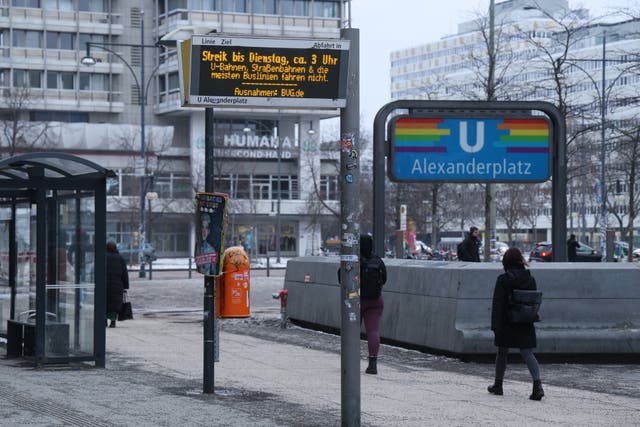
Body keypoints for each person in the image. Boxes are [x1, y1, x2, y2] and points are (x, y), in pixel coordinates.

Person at [488, 247, 544, 401]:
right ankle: (537, 385)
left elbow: (498, 305)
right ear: (520, 261)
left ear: (506, 262)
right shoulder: (529, 279)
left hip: (507, 322)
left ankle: (498, 385)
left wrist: (495, 327)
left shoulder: (503, 279)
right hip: (525, 321)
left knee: (502, 352)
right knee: (527, 352)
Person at [359, 234, 387, 375]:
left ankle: (350, 360)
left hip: (355, 301)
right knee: (373, 331)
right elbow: (385, 279)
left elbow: (341, 278)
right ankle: (372, 364)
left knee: (351, 331)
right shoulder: (378, 261)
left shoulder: (353, 260)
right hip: (375, 301)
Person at [106, 241, 129, 328]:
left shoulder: (103, 257)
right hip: (117, 285)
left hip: (105, 284)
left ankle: (103, 320)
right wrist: (125, 286)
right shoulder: (120, 258)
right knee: (114, 304)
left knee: (104, 302)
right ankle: (113, 321)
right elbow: (124, 273)